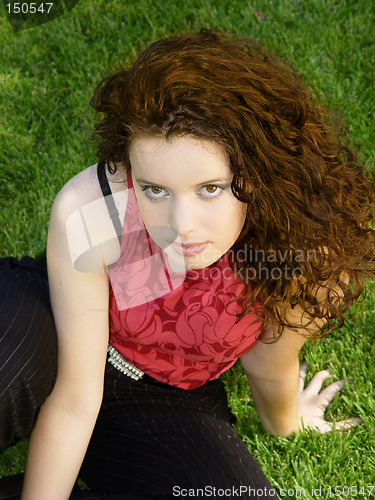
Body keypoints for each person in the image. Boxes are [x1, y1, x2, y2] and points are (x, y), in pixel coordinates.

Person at [0, 29, 374, 499]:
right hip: (53, 322)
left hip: (167, 395)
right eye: (155, 189)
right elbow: (77, 397)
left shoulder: (306, 248)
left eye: (210, 188)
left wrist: (286, 421)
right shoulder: (94, 208)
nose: (181, 225)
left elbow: (269, 360)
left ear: (259, 170)